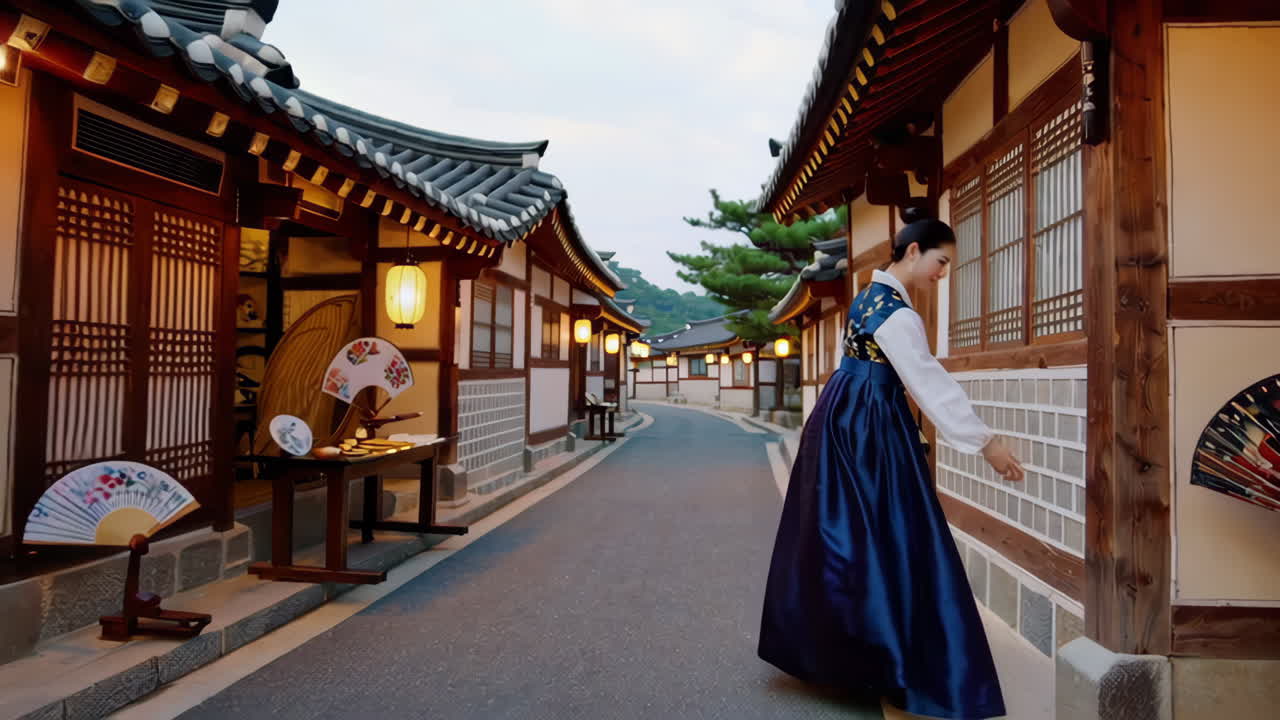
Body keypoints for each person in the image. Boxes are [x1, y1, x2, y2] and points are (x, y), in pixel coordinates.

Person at [759, 207, 1024, 719]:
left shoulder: (866, 297)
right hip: (872, 428)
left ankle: (855, 653)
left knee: (848, 536)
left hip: (843, 417)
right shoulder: (898, 314)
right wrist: (985, 441)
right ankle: (893, 660)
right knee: (895, 536)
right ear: (912, 252)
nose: (942, 275)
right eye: (940, 262)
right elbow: (927, 380)